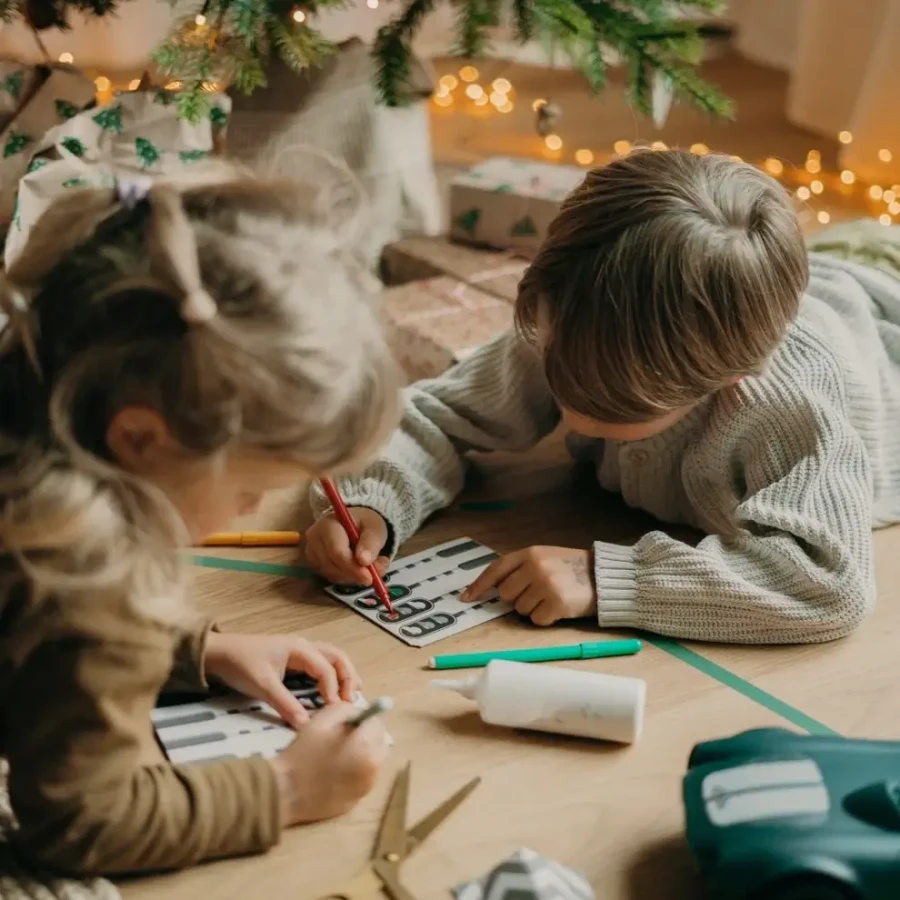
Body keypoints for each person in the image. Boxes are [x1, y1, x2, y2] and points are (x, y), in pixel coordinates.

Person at [304, 148, 900, 646]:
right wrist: (372, 501)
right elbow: (435, 413)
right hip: (813, 269)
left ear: (725, 380)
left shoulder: (786, 403)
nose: (566, 402)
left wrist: (605, 578)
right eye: (554, 363)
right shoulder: (576, 320)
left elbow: (827, 585)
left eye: (611, 402)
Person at [0, 163, 401, 874]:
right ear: (140, 440)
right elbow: (84, 818)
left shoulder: (35, 386)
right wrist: (286, 786)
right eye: (253, 489)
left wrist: (192, 650)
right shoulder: (83, 573)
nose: (250, 511)